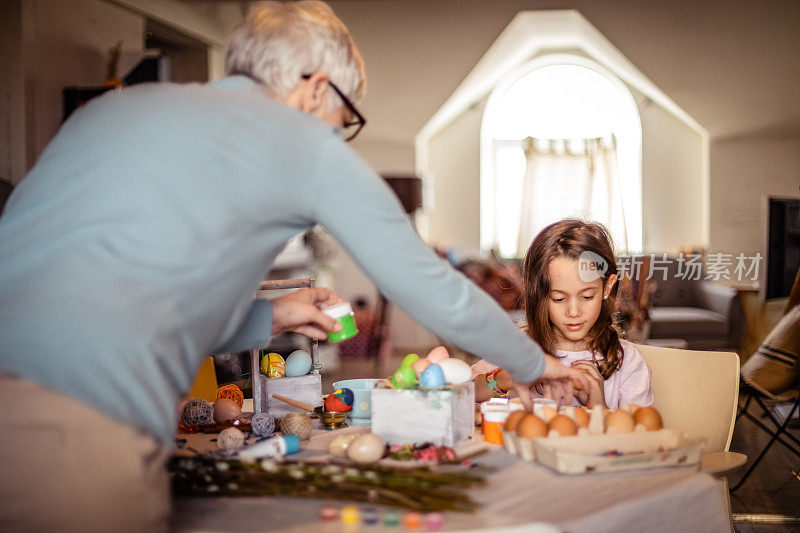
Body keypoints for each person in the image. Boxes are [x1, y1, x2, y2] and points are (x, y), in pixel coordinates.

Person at [0, 2, 589, 530]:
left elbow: (138, 297)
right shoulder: (302, 141)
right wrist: (534, 363)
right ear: (316, 88)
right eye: (345, 117)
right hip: (73, 424)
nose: (339, 137)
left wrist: (270, 315)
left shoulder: (110, 111)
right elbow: (424, 281)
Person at [473, 219, 654, 409]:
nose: (574, 312)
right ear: (539, 295)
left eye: (587, 296)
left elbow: (642, 435)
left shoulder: (627, 362)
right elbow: (462, 394)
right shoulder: (518, 348)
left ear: (607, 287)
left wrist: (599, 408)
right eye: (558, 299)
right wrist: (501, 380)